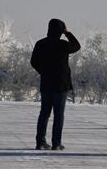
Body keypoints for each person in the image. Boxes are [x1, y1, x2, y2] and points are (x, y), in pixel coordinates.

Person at [30, 18, 81, 151]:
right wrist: (68, 33)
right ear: (61, 30)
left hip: (46, 83)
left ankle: (40, 142)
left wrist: (43, 72)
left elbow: (33, 61)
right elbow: (77, 46)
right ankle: (56, 143)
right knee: (59, 115)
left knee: (44, 113)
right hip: (61, 84)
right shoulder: (63, 44)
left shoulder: (40, 44)